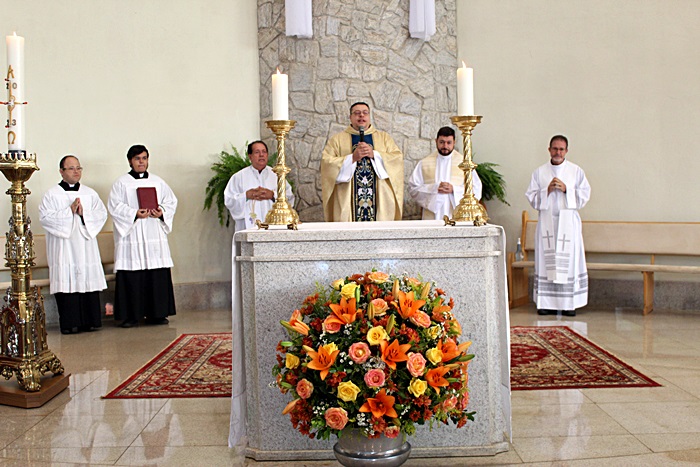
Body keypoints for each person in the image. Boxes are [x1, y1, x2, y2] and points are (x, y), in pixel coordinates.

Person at [108, 145, 178, 327]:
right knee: (133, 274)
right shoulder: (121, 183)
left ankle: (158, 314)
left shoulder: (158, 182)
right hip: (133, 235)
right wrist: (134, 213)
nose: (142, 162)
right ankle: (131, 316)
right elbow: (115, 206)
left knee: (156, 273)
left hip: (153, 232)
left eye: (145, 158)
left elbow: (171, 202)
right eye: (138, 158)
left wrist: (161, 212)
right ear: (130, 161)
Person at [38, 155, 108, 334]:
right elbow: (45, 219)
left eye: (78, 168)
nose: (76, 171)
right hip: (64, 247)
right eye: (71, 168)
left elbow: (101, 214)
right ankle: (69, 324)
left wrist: (85, 214)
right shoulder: (52, 194)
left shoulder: (90, 193)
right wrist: (68, 212)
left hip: (85, 245)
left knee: (87, 279)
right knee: (67, 280)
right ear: (61, 171)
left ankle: (90, 322)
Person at [526, 135, 591, 317]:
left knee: (568, 263)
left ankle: (568, 304)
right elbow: (531, 196)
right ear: (549, 149)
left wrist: (566, 189)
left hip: (568, 223)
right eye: (555, 149)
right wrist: (546, 190)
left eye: (561, 149)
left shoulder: (575, 171)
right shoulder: (540, 172)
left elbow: (585, 195)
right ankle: (545, 303)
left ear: (567, 151)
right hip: (547, 222)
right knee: (546, 263)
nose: (558, 152)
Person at [321, 102, 403, 222]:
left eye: (365, 113)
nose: (361, 116)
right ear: (351, 117)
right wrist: (352, 159)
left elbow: (397, 160)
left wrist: (374, 155)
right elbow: (327, 164)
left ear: (369, 116)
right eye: (357, 113)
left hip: (380, 201)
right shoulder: (337, 140)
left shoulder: (384, 138)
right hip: (347, 202)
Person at [408, 126, 482, 220]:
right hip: (432, 216)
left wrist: (454, 190)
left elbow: (476, 188)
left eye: (449, 142)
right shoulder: (424, 163)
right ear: (436, 141)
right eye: (442, 142)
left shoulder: (464, 163)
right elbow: (413, 188)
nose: (445, 146)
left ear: (454, 142)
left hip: (456, 214)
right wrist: (434, 188)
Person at [224, 140, 295, 231]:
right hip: (248, 227)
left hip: (274, 227)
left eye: (264, 152)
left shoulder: (277, 175)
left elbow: (290, 197)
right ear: (250, 156)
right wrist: (246, 195)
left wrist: (273, 195)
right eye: (257, 152)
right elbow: (229, 200)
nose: (261, 155)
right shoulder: (239, 177)